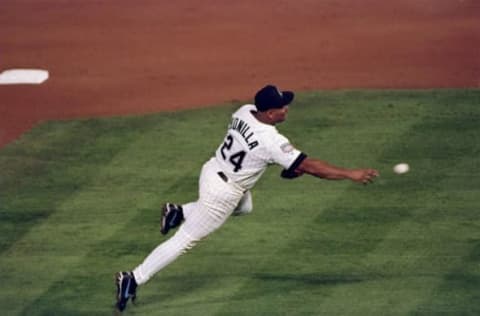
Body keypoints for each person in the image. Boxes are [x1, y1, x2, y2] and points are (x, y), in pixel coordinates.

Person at [115, 84, 379, 311]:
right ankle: (133, 278)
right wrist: (349, 174)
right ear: (268, 112)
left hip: (212, 170)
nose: (286, 109)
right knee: (185, 240)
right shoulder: (270, 141)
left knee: (246, 206)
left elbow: (282, 161)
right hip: (222, 193)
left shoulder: (243, 111)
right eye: (282, 107)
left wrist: (293, 167)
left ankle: (178, 212)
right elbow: (309, 166)